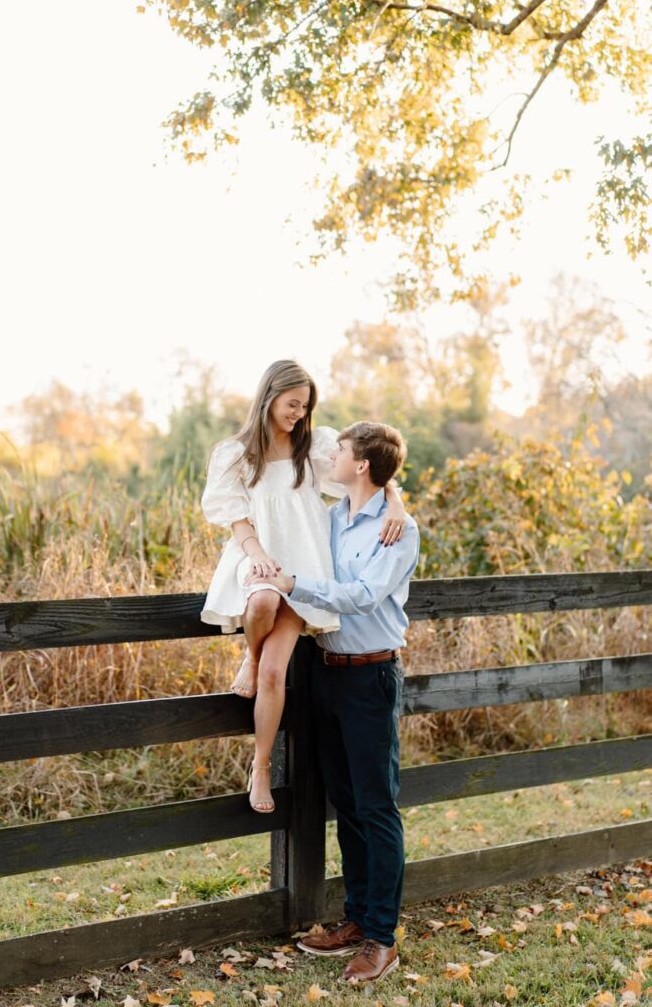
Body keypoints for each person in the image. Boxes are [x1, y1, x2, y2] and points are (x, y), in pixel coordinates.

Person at [245, 420, 419, 984]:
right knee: (345, 803)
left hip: (371, 679)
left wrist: (294, 584)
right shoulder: (330, 517)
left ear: (362, 465)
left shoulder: (400, 530)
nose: (333, 455)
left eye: (342, 450)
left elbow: (365, 596)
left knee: (375, 807)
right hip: (326, 673)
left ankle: (381, 940)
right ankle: (356, 918)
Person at [200, 361, 408, 813]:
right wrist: (257, 556)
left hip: (305, 562)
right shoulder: (234, 454)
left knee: (277, 674)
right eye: (292, 404)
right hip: (256, 554)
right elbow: (235, 516)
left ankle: (259, 769)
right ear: (269, 396)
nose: (299, 413)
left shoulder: (313, 446)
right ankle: (249, 658)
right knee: (262, 599)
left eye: (305, 406)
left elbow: (369, 471)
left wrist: (395, 502)